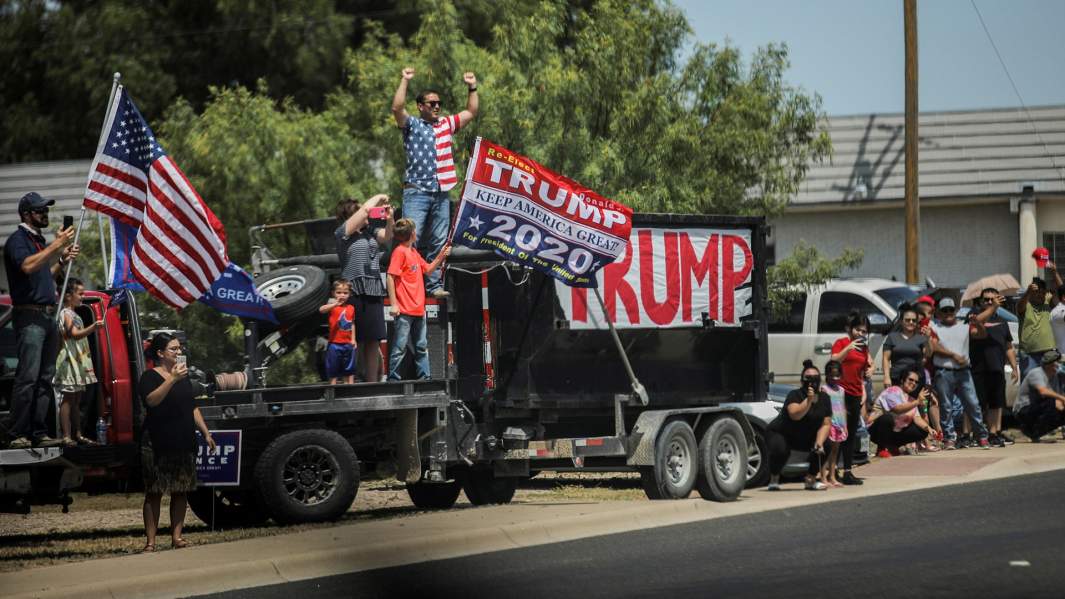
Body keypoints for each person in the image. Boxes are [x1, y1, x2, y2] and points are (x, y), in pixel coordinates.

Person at [391, 66, 478, 299]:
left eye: (438, 103)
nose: (437, 106)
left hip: (441, 192)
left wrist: (472, 86)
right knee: (411, 237)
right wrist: (405, 80)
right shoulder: (412, 125)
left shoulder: (446, 124)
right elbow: (397, 107)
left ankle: (433, 286)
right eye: (432, 103)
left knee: (439, 240)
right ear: (421, 106)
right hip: (417, 190)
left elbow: (471, 110)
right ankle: (408, 284)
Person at [3, 192, 79, 449]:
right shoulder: (18, 240)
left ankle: (38, 431)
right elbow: (26, 266)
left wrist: (61, 260)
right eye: (40, 211)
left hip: (47, 316)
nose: (45, 214)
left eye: (46, 211)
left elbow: (43, 274)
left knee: (46, 377)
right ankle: (17, 433)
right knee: (28, 377)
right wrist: (56, 246)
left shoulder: (38, 241)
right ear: (26, 214)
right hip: (31, 317)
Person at [139, 333, 216, 553]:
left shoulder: (184, 379)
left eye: (179, 348)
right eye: (173, 349)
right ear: (160, 353)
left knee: (180, 490)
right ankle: (151, 542)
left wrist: (206, 432)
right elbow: (151, 401)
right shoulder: (149, 376)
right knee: (154, 492)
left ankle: (177, 537)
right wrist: (171, 379)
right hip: (156, 443)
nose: (179, 352)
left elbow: (191, 407)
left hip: (183, 440)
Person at [335, 195, 393, 383]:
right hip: (354, 291)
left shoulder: (370, 231)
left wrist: (390, 218)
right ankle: (349, 381)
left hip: (373, 289)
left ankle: (371, 382)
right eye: (359, 211)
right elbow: (366, 210)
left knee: (373, 339)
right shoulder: (343, 233)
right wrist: (379, 197)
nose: (365, 215)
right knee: (352, 340)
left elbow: (387, 236)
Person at [386, 218, 451, 381]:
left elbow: (428, 269)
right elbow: (390, 277)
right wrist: (394, 304)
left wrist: (442, 255)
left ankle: (425, 378)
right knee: (399, 347)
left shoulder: (414, 252)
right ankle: (393, 379)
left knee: (421, 346)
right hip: (405, 310)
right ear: (413, 233)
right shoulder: (399, 251)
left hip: (418, 309)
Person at [931, 297, 995, 450]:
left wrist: (978, 323)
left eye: (950, 310)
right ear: (939, 312)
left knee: (973, 404)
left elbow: (981, 335)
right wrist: (953, 355)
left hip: (963, 371)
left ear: (955, 311)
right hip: (943, 370)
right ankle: (949, 438)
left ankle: (982, 436)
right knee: (946, 406)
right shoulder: (934, 326)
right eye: (944, 310)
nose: (948, 313)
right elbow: (933, 346)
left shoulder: (964, 326)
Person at [766, 360, 832, 491]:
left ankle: (810, 479)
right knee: (781, 450)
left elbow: (826, 423)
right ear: (802, 380)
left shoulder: (825, 398)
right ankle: (774, 478)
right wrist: (808, 400)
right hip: (782, 432)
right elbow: (795, 415)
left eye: (815, 377)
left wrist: (819, 442)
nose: (812, 380)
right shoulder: (794, 395)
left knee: (826, 444)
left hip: (804, 436)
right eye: (808, 377)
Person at [54, 278, 104, 447]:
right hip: (70, 362)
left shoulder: (73, 313)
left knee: (76, 400)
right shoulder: (66, 313)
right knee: (68, 399)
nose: (83, 296)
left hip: (78, 362)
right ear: (68, 296)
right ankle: (67, 435)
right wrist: (93, 327)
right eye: (80, 293)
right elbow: (73, 334)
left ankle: (78, 434)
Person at [969, 288, 1019, 447]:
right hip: (978, 368)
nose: (989, 302)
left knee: (996, 404)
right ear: (981, 301)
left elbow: (1008, 346)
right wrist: (993, 307)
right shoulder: (975, 316)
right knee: (978, 404)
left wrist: (1014, 366)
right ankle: (973, 434)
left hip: (997, 368)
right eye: (986, 299)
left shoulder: (1003, 322)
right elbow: (977, 322)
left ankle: (993, 433)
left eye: (993, 299)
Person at [829, 311, 871, 485]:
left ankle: (847, 471)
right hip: (840, 393)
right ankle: (831, 471)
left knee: (850, 434)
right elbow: (833, 360)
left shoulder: (864, 349)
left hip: (855, 393)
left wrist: (866, 376)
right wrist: (848, 348)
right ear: (851, 329)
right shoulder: (841, 342)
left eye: (864, 331)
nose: (860, 334)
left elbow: (864, 370)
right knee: (837, 433)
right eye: (858, 330)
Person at [867, 370, 937, 455]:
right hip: (875, 430)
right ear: (902, 380)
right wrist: (917, 402)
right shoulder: (892, 391)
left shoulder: (911, 399)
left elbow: (917, 418)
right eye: (910, 380)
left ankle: (893, 446)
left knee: (923, 430)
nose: (913, 383)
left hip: (895, 432)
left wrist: (929, 428)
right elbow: (897, 409)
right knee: (887, 419)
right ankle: (882, 448)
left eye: (916, 382)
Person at [1017, 267, 1061, 378]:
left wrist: (1054, 272)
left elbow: (1061, 289)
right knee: (1029, 384)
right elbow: (1020, 306)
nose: (1039, 295)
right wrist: (1028, 291)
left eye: (1042, 292)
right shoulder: (1024, 304)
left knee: (1050, 385)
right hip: (1029, 354)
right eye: (1036, 292)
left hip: (1049, 354)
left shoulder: (1047, 303)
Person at [1013, 349, 1065, 442]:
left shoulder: (1056, 376)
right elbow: (1043, 391)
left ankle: (1038, 433)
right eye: (1058, 362)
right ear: (1050, 363)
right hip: (1024, 410)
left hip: (1040, 407)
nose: (1059, 365)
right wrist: (1061, 398)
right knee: (1051, 402)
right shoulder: (1036, 373)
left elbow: (1059, 402)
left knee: (1060, 408)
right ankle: (1032, 432)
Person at [319, 279, 357, 385]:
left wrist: (353, 339)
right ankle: (332, 390)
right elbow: (321, 310)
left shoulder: (351, 308)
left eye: (345, 293)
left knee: (349, 369)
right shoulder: (332, 306)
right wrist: (335, 304)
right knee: (333, 369)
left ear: (349, 294)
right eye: (339, 292)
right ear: (333, 293)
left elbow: (352, 323)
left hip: (348, 344)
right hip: (334, 343)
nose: (342, 295)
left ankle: (349, 391)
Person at [881, 307, 931, 387]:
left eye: (914, 320)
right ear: (901, 321)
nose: (911, 322)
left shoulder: (921, 338)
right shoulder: (892, 337)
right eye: (907, 320)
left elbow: (928, 355)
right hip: (896, 379)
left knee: (918, 400)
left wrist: (928, 339)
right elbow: (886, 359)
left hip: (915, 381)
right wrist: (886, 377)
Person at [820, 361, 847, 487]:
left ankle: (832, 476)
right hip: (829, 424)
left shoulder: (841, 390)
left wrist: (845, 425)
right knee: (826, 451)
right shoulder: (824, 389)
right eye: (832, 376)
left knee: (835, 452)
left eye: (837, 375)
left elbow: (843, 408)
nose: (835, 378)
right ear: (827, 375)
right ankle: (823, 477)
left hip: (840, 425)